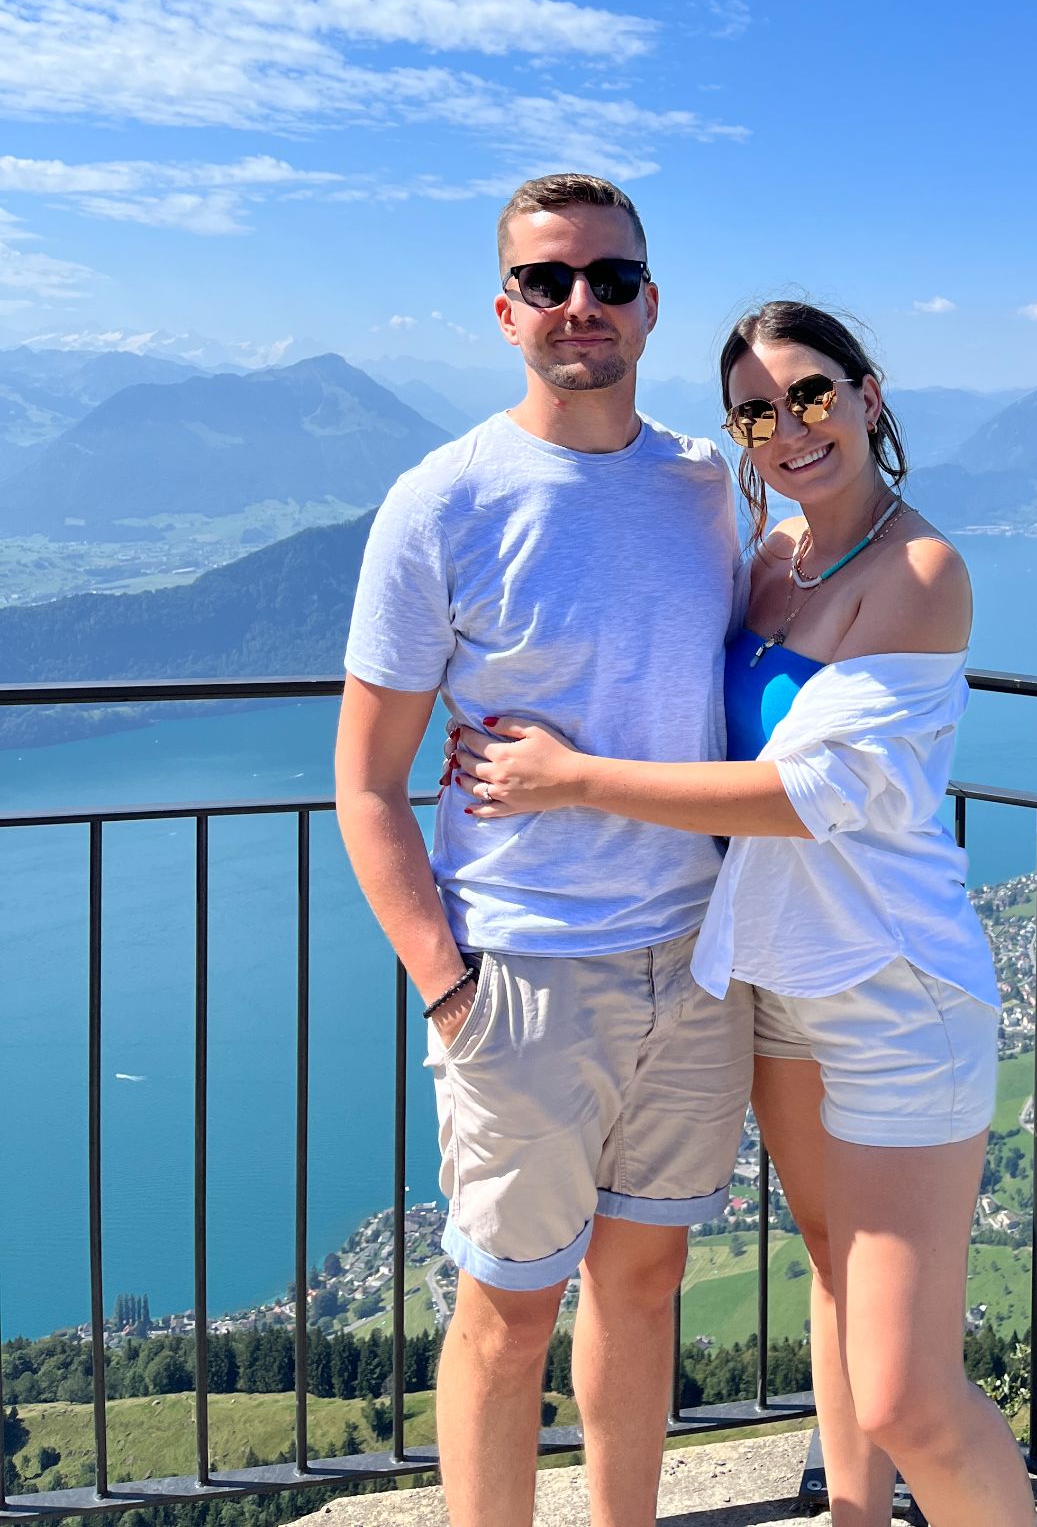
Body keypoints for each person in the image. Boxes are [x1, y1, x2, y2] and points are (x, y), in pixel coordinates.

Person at [449, 301, 1037, 1527]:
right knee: (830, 1276)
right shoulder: (771, 563)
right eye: (757, 411)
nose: (787, 427)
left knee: (908, 1397)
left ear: (869, 396)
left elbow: (804, 794)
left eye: (813, 395)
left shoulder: (922, 573)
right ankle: (854, 1519)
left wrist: (568, 778)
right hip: (773, 981)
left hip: (891, 994)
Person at [333, 174, 751, 1527]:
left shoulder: (703, 486)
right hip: (521, 975)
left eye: (611, 280)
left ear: (650, 303)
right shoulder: (440, 502)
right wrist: (447, 986)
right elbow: (367, 784)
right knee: (507, 1319)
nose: (584, 305)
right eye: (554, 281)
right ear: (505, 307)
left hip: (694, 960)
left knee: (643, 1287)